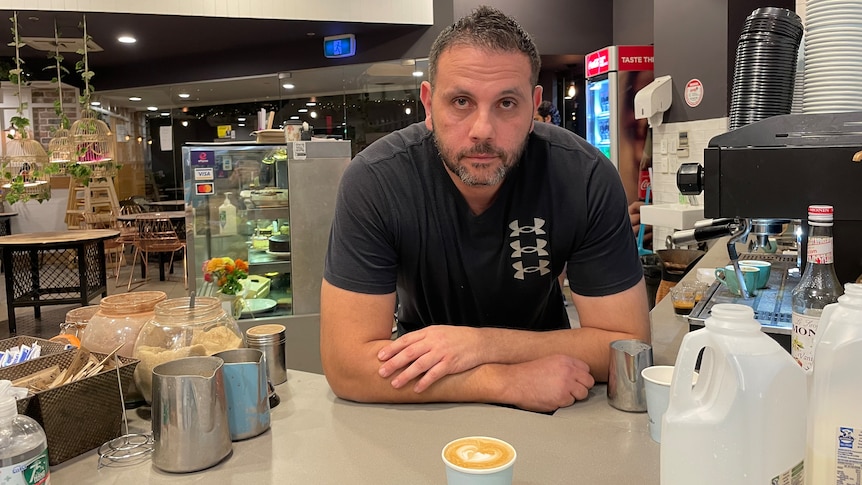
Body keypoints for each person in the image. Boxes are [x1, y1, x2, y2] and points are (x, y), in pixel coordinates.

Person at [320, 6, 650, 413]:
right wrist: (500, 380)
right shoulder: (375, 181)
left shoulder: (582, 177)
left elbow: (628, 344)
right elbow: (346, 365)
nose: (482, 130)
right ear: (428, 104)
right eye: (460, 101)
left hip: (555, 388)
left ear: (534, 106)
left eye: (507, 104)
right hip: (421, 394)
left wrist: (480, 344)